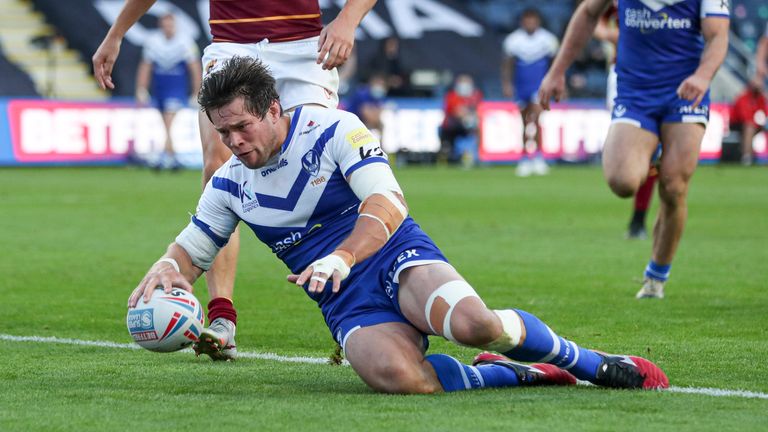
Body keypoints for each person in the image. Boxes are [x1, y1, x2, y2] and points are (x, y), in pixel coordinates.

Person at [128, 57, 668, 394]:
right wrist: (166, 270)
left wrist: (341, 256)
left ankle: (593, 364)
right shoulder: (228, 183)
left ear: (273, 109)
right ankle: (519, 373)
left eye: (242, 127)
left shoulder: (333, 128)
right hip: (344, 300)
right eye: (224, 133)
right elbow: (193, 249)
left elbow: (387, 204)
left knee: (475, 324)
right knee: (402, 380)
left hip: (390, 255)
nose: (235, 142)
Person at [93, 0, 377, 360]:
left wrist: (348, 19)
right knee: (218, 166)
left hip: (303, 46)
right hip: (231, 45)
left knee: (324, 168)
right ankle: (222, 318)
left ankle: (358, 307)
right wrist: (116, 33)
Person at [539, 0, 730, 299]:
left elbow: (718, 36)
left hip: (685, 94)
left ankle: (655, 278)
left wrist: (703, 76)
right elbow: (589, 12)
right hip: (635, 93)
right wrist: (557, 70)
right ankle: (650, 152)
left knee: (674, 185)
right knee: (622, 181)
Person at [593, 1, 657, 239]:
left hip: (664, 73)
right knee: (635, 155)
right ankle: (639, 215)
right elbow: (593, 18)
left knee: (653, 156)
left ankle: (639, 217)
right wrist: (611, 34)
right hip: (624, 75)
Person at [135, 12, 200, 171]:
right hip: (160, 87)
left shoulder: (185, 41)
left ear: (174, 25)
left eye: (170, 25)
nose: (167, 28)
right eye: (165, 25)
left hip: (176, 86)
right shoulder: (153, 41)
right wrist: (141, 88)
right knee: (164, 122)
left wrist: (196, 90)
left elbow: (195, 67)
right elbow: (146, 66)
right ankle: (171, 156)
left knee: (169, 120)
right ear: (160, 26)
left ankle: (165, 156)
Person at [501, 8, 559, 177]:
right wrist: (507, 84)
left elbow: (554, 63)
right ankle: (525, 158)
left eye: (533, 20)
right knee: (524, 122)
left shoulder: (548, 40)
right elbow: (507, 65)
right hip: (521, 86)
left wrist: (555, 83)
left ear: (538, 21)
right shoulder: (513, 40)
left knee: (537, 119)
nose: (530, 23)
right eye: (527, 20)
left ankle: (539, 157)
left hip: (539, 86)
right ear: (522, 22)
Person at [439, 74, 483, 165]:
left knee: (477, 128)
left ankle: (475, 155)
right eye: (463, 82)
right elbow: (456, 112)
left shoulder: (476, 95)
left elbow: (480, 110)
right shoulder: (452, 96)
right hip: (451, 126)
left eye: (467, 82)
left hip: (467, 126)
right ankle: (447, 155)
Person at [730, 76, 767, 166]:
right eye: (756, 87)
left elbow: (764, 112)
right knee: (749, 128)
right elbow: (744, 117)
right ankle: (747, 157)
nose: (759, 89)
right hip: (737, 124)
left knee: (750, 126)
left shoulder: (761, 98)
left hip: (755, 124)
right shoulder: (743, 98)